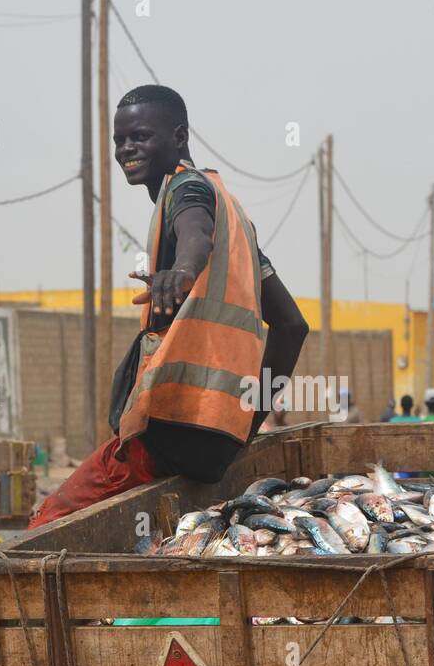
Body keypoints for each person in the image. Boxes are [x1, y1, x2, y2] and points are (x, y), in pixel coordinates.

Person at [29, 85, 309, 528]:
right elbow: (292, 326)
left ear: (179, 136)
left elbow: (193, 232)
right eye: (120, 140)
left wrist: (181, 271)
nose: (126, 149)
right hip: (218, 442)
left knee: (45, 525)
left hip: (164, 435)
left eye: (140, 136)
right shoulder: (235, 218)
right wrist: (250, 420)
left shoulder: (187, 189)